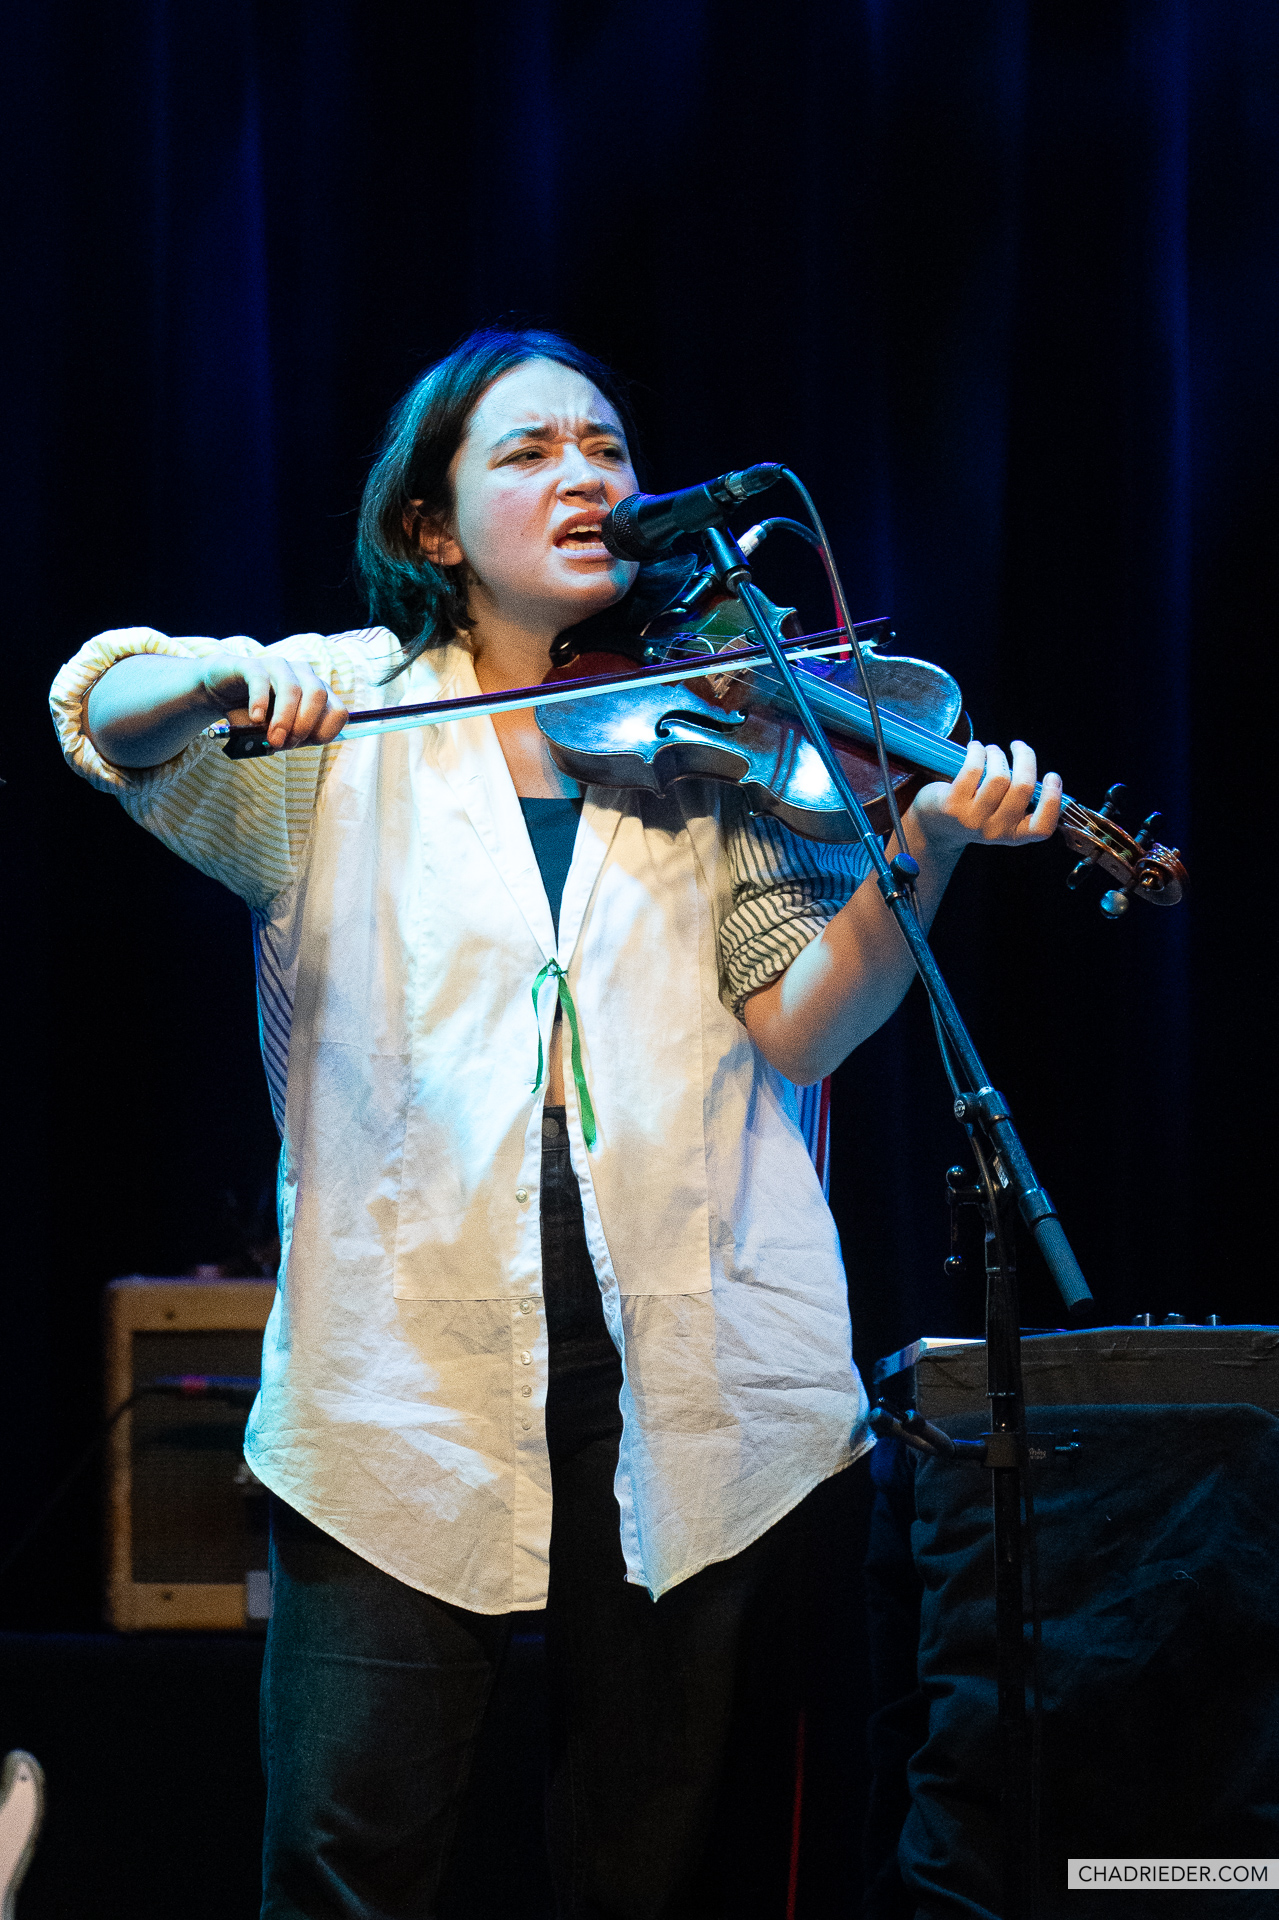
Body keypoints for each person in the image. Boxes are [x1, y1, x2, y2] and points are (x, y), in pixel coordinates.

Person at [50, 327, 1061, 1919]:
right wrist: (220, 674)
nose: (588, 473)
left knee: (650, 1857)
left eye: (604, 446)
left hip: (685, 1352)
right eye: (527, 452)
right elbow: (111, 717)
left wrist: (922, 847)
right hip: (402, 1365)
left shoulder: (720, 727)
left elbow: (801, 1016)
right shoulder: (338, 723)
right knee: (345, 1850)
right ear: (431, 529)